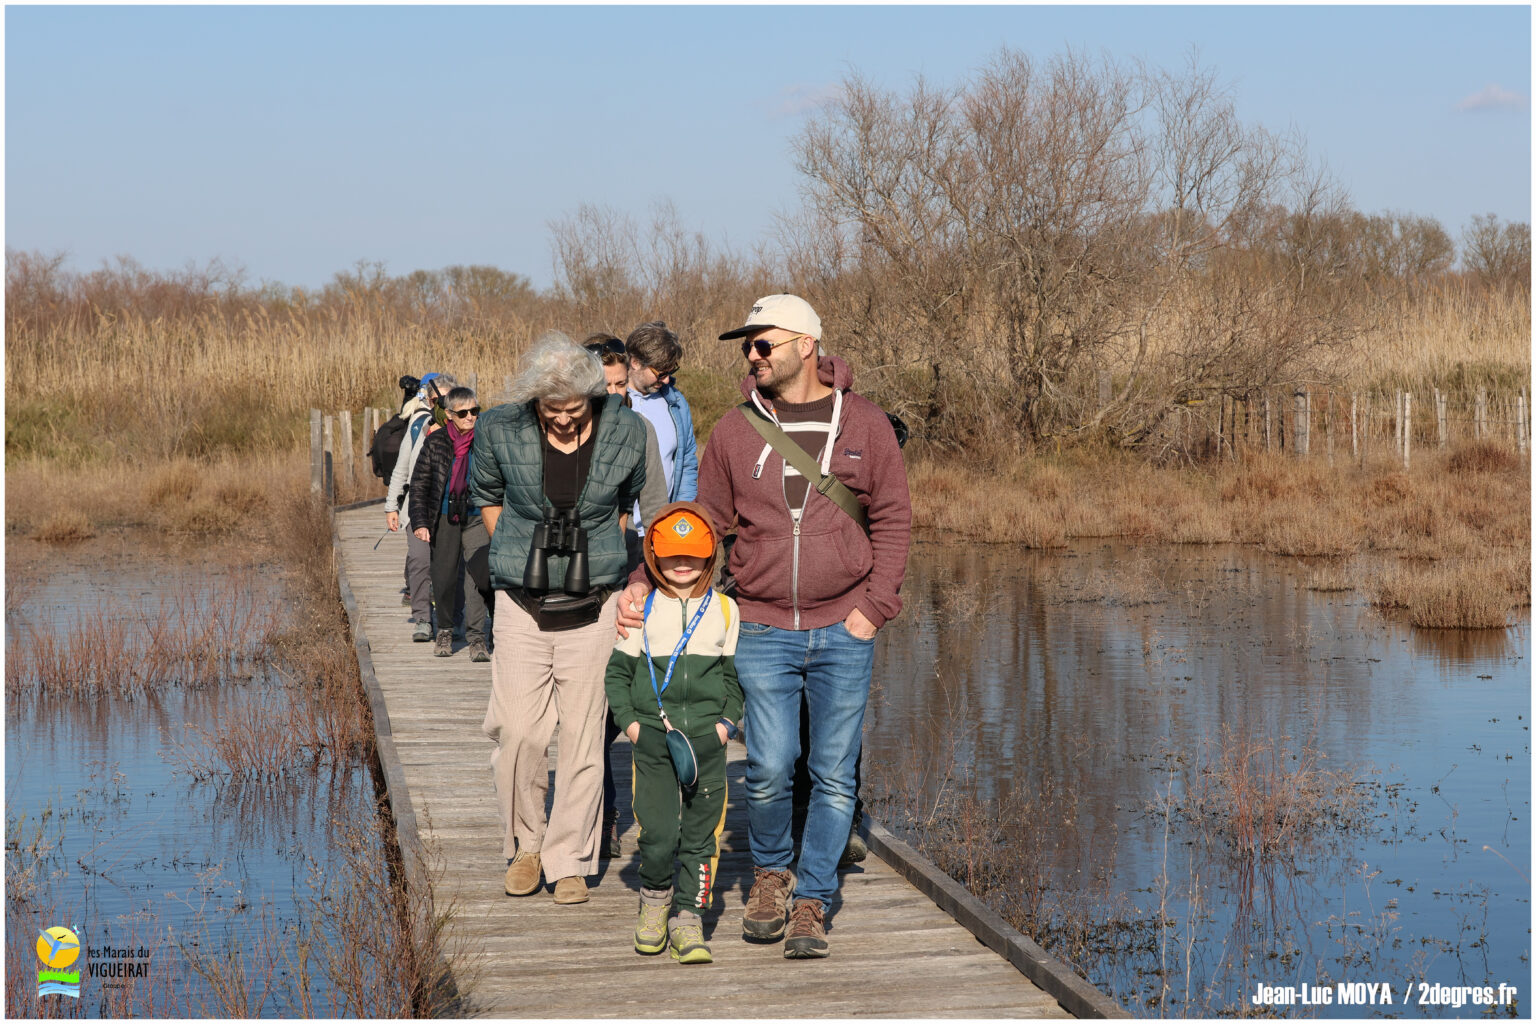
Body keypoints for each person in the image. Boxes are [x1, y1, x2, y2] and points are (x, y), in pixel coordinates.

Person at [616, 293, 912, 959]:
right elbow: (708, 523)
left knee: (834, 775)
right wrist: (648, 573)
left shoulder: (864, 425)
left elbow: (893, 518)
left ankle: (812, 900)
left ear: (806, 343)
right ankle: (771, 877)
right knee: (773, 768)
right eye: (746, 345)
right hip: (761, 628)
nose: (752, 354)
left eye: (763, 342)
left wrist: (874, 608)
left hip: (846, 627)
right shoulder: (733, 430)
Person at [471, 331, 649, 905]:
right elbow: (487, 494)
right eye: (554, 411)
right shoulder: (500, 428)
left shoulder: (625, 429)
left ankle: (568, 856)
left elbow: (632, 504)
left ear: (593, 397)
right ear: (533, 402)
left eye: (576, 409)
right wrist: (520, 561)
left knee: (582, 736)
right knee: (519, 731)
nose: (566, 421)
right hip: (521, 604)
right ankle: (526, 844)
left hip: (594, 607)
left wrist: (605, 564)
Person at [604, 503, 742, 964]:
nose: (682, 565)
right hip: (654, 746)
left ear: (710, 557)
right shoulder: (641, 608)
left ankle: (688, 918)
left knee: (702, 839)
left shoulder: (726, 610)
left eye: (693, 555)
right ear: (653, 555)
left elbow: (734, 681)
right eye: (671, 555)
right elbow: (616, 677)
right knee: (659, 835)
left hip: (707, 744)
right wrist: (633, 725)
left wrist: (725, 726)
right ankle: (655, 900)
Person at [586, 332, 670, 858]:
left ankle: (628, 810)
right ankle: (603, 812)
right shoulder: (560, 429)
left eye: (622, 385)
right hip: (574, 581)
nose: (617, 394)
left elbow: (657, 508)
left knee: (628, 696)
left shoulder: (639, 430)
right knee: (588, 710)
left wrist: (656, 576)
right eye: (606, 385)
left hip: (631, 566)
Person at [409, 386, 492, 661]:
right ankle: (444, 629)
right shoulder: (436, 442)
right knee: (443, 577)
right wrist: (420, 522)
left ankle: (477, 636)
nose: (471, 417)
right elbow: (419, 484)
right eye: (464, 412)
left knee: (476, 577)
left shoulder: (485, 442)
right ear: (449, 414)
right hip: (444, 517)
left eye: (475, 411)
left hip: (477, 516)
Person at [386, 372, 451, 642]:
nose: (443, 406)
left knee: (449, 566)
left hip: (450, 510)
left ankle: (451, 618)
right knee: (420, 560)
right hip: (417, 507)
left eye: (448, 400)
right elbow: (402, 468)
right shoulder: (418, 425)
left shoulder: (466, 430)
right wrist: (391, 506)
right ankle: (423, 619)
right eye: (439, 400)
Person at [624, 322, 698, 528]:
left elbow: (687, 460)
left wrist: (682, 510)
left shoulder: (675, 402)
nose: (666, 381)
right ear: (636, 362)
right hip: (619, 533)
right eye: (660, 373)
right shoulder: (611, 401)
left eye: (670, 372)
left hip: (662, 529)